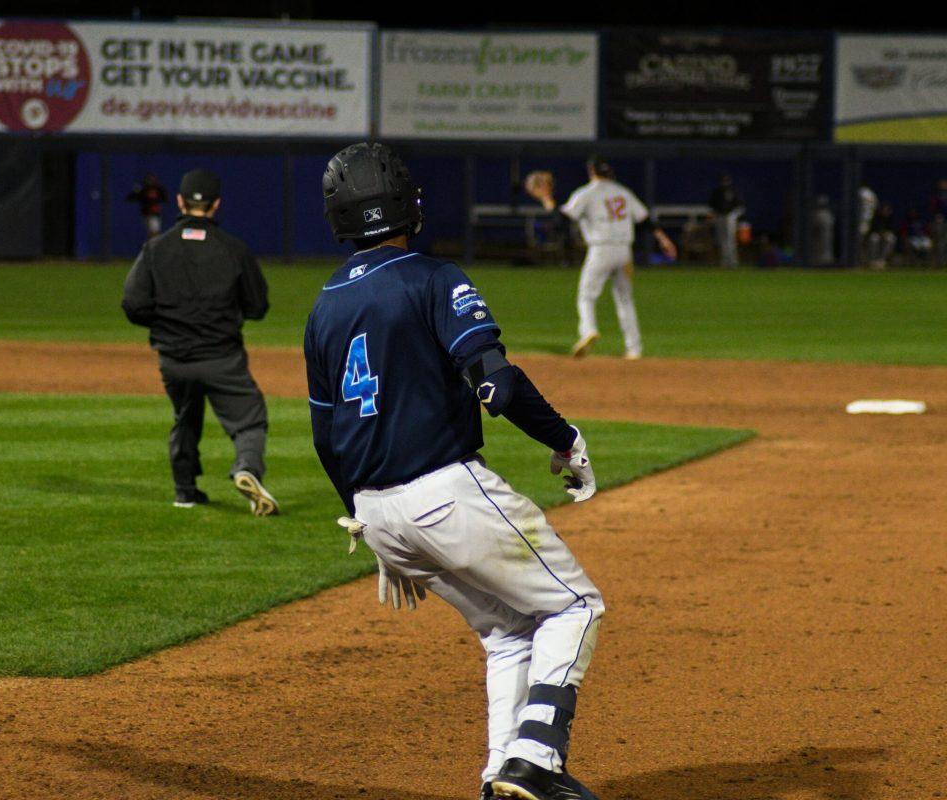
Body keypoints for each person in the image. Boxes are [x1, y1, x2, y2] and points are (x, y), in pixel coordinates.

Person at [305, 142, 604, 800]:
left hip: (377, 515)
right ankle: (535, 756)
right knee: (575, 606)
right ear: (409, 203)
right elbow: (497, 383)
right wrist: (564, 439)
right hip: (443, 493)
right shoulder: (432, 277)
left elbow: (328, 435)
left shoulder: (324, 308)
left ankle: (502, 779)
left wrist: (363, 514)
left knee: (507, 631)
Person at [121, 168, 279, 515]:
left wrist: (167, 320)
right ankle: (247, 469)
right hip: (221, 357)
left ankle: (185, 491)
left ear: (179, 201)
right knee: (250, 420)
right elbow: (257, 306)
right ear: (216, 204)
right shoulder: (234, 250)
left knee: (185, 417)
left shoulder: (155, 248)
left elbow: (133, 304)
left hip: (174, 359)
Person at [525, 155, 676, 360]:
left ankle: (589, 331)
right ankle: (634, 349)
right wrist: (664, 239)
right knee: (625, 299)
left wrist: (547, 199)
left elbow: (561, 222)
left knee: (586, 296)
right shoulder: (623, 192)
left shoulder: (586, 193)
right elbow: (645, 220)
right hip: (624, 252)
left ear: (592, 172)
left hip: (601, 250)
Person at [709, 173, 745, 267]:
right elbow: (712, 205)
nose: (725, 182)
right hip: (720, 216)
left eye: (726, 180)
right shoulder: (718, 191)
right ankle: (724, 261)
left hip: (730, 216)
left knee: (731, 239)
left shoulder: (733, 190)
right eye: (723, 180)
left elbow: (740, 206)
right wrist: (715, 215)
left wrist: (734, 215)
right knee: (722, 239)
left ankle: (733, 261)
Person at [126, 173, 167, 239]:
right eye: (148, 180)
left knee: (155, 233)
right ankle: (152, 247)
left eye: (151, 179)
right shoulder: (144, 190)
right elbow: (131, 198)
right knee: (151, 233)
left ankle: (155, 247)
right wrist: (135, 191)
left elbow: (164, 198)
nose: (150, 181)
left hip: (155, 215)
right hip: (147, 215)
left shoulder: (157, 189)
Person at [865, 203, 897, 269]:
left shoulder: (891, 218)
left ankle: (882, 260)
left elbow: (893, 229)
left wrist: (886, 233)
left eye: (887, 210)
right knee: (874, 238)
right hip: (877, 235)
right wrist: (881, 233)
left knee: (890, 238)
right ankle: (872, 260)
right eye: (884, 210)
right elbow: (873, 228)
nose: (885, 212)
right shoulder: (876, 217)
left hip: (885, 236)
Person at [857, 184, 878, 266]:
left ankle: (874, 260)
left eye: (869, 202)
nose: (868, 204)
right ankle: (859, 260)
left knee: (874, 238)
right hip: (860, 225)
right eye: (865, 202)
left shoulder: (874, 215)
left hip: (869, 228)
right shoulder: (855, 216)